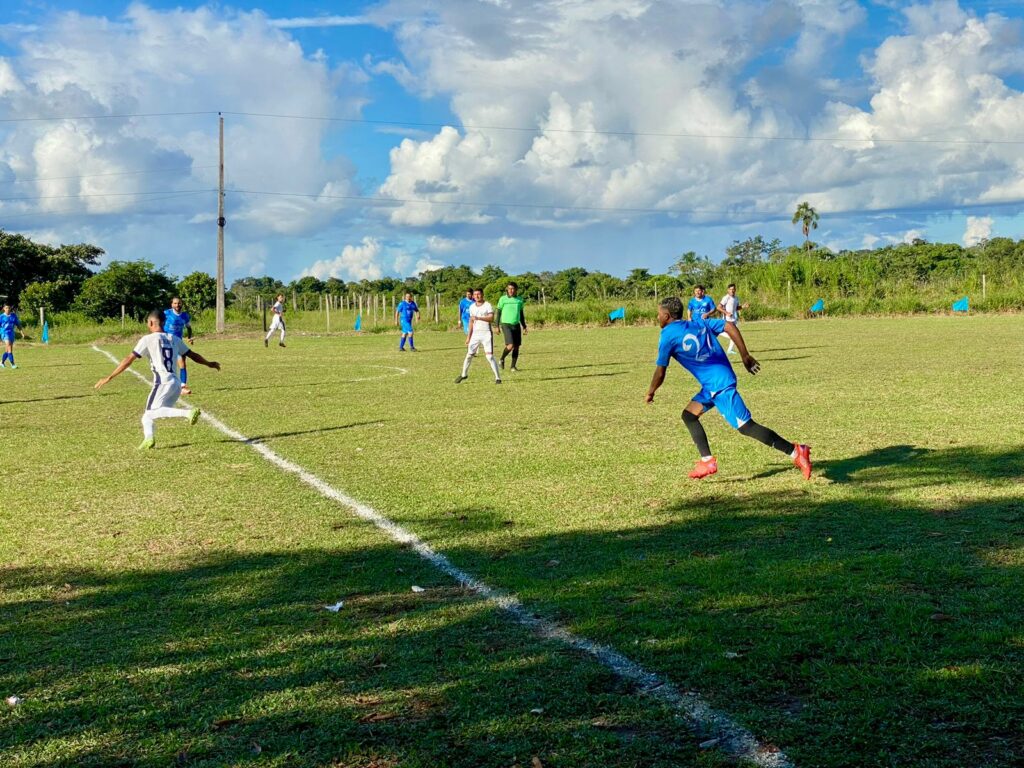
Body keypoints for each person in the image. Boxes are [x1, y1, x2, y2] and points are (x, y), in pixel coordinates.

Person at [645, 296, 811, 480]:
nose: (657, 317)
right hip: (712, 385)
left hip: (720, 385)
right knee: (689, 415)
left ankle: (797, 451)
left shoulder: (667, 335)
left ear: (667, 316)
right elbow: (729, 326)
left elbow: (660, 372)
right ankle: (707, 461)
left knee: (747, 427)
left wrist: (651, 392)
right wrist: (744, 355)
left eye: (659, 314)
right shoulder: (698, 323)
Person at [95, 309, 221, 450]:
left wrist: (110, 377)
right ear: (164, 322)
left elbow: (128, 359)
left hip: (163, 382)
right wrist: (209, 363)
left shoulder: (147, 339)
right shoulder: (174, 338)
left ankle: (188, 412)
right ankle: (148, 439)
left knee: (151, 412)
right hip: (175, 383)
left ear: (150, 322)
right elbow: (192, 355)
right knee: (148, 416)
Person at [455, 288, 501, 384]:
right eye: (475, 294)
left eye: (478, 294)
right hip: (475, 334)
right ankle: (464, 374)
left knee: (489, 357)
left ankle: (498, 378)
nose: (476, 296)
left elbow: (491, 318)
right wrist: (469, 337)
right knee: (469, 355)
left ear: (482, 295)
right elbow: (471, 322)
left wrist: (479, 318)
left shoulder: (487, 305)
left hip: (486, 333)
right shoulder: (472, 307)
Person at [163, 297, 194, 394]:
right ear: (172, 304)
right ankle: (166, 385)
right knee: (168, 365)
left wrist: (189, 337)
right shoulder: (166, 313)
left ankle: (183, 386)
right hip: (166, 343)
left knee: (182, 364)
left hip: (178, 343)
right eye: (175, 303)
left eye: (179, 303)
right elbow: (158, 324)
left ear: (182, 304)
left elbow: (189, 327)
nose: (177, 305)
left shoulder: (185, 316)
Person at [496, 281, 527, 371]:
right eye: (509, 288)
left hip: (516, 325)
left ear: (516, 290)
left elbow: (521, 314)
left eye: (513, 289)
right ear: (507, 289)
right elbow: (498, 313)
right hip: (506, 324)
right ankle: (502, 359)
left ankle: (513, 366)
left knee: (516, 346)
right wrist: (497, 326)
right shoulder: (502, 299)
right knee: (510, 345)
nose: (511, 290)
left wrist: (524, 326)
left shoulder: (520, 300)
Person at [715, 284, 749, 356]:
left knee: (735, 335)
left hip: (734, 320)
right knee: (734, 335)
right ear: (728, 290)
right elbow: (718, 307)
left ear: (735, 290)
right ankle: (718, 332)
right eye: (730, 289)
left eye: (733, 289)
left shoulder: (736, 298)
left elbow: (736, 308)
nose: (732, 290)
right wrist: (726, 313)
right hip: (727, 320)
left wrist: (743, 306)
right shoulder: (726, 298)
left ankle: (730, 350)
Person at [0, 304, 23, 369]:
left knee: (8, 350)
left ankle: (2, 362)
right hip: (4, 332)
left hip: (11, 333)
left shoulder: (13, 315)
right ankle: (13, 364)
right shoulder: (1, 317)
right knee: (9, 346)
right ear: (4, 308)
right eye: (6, 308)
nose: (8, 309)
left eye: (9, 308)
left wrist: (22, 333)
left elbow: (18, 325)